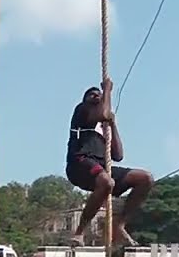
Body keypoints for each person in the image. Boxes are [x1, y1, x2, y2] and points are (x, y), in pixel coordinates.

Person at [65, 79, 154, 245]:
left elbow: (118, 155)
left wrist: (112, 125)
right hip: (80, 162)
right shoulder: (82, 111)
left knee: (145, 178)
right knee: (107, 182)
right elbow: (103, 113)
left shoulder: (103, 125)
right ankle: (79, 232)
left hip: (101, 167)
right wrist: (107, 90)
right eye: (92, 95)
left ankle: (119, 225)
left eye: (99, 95)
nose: (96, 96)